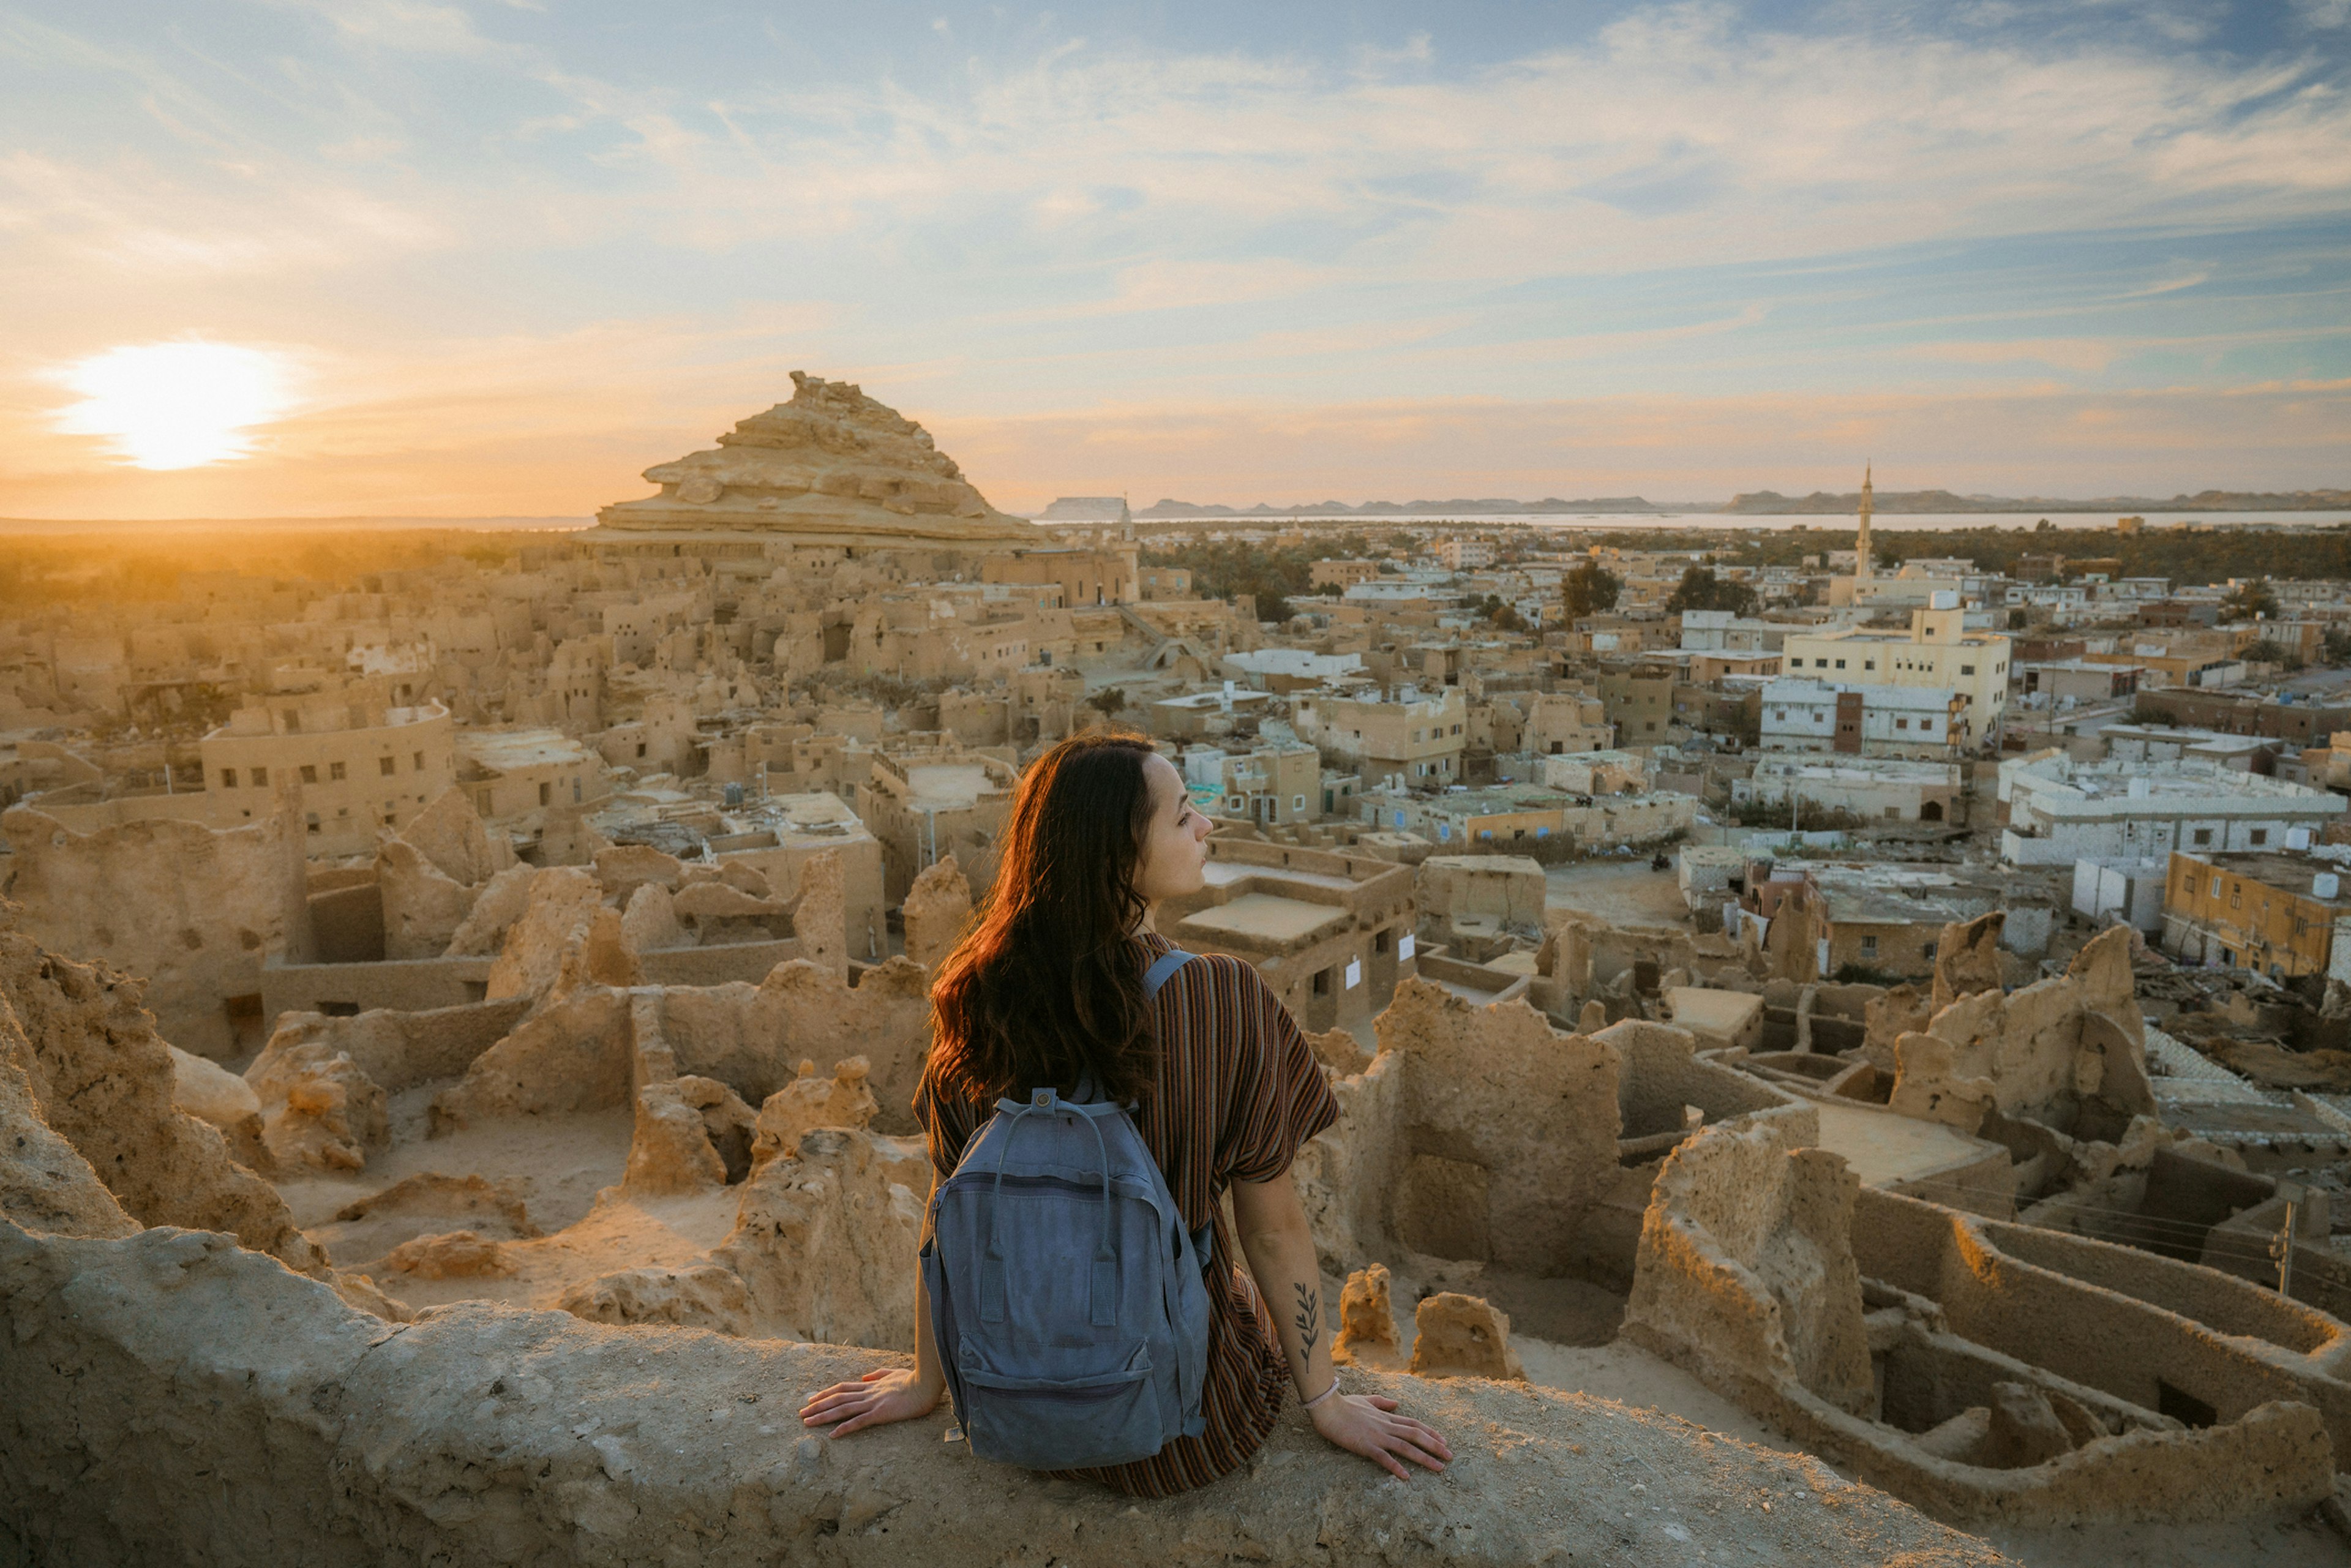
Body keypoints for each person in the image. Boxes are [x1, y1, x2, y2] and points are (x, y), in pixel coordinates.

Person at [799, 731, 1450, 1493]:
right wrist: (1327, 1400)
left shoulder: (974, 1000)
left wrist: (924, 1383)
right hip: (1187, 1429)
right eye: (1182, 818)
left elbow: (950, 1213)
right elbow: (1272, 1228)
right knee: (1231, 1285)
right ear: (1118, 855)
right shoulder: (1222, 999)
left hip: (1010, 1413)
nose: (1205, 826)